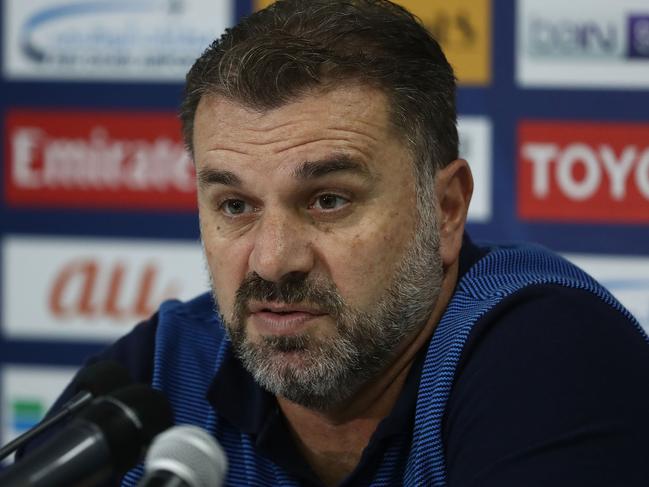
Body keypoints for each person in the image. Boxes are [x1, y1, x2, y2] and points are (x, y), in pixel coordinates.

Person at [32, 1, 649, 485]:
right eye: (236, 206)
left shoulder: (550, 354)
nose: (273, 260)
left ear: (446, 209)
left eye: (328, 200)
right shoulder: (155, 378)